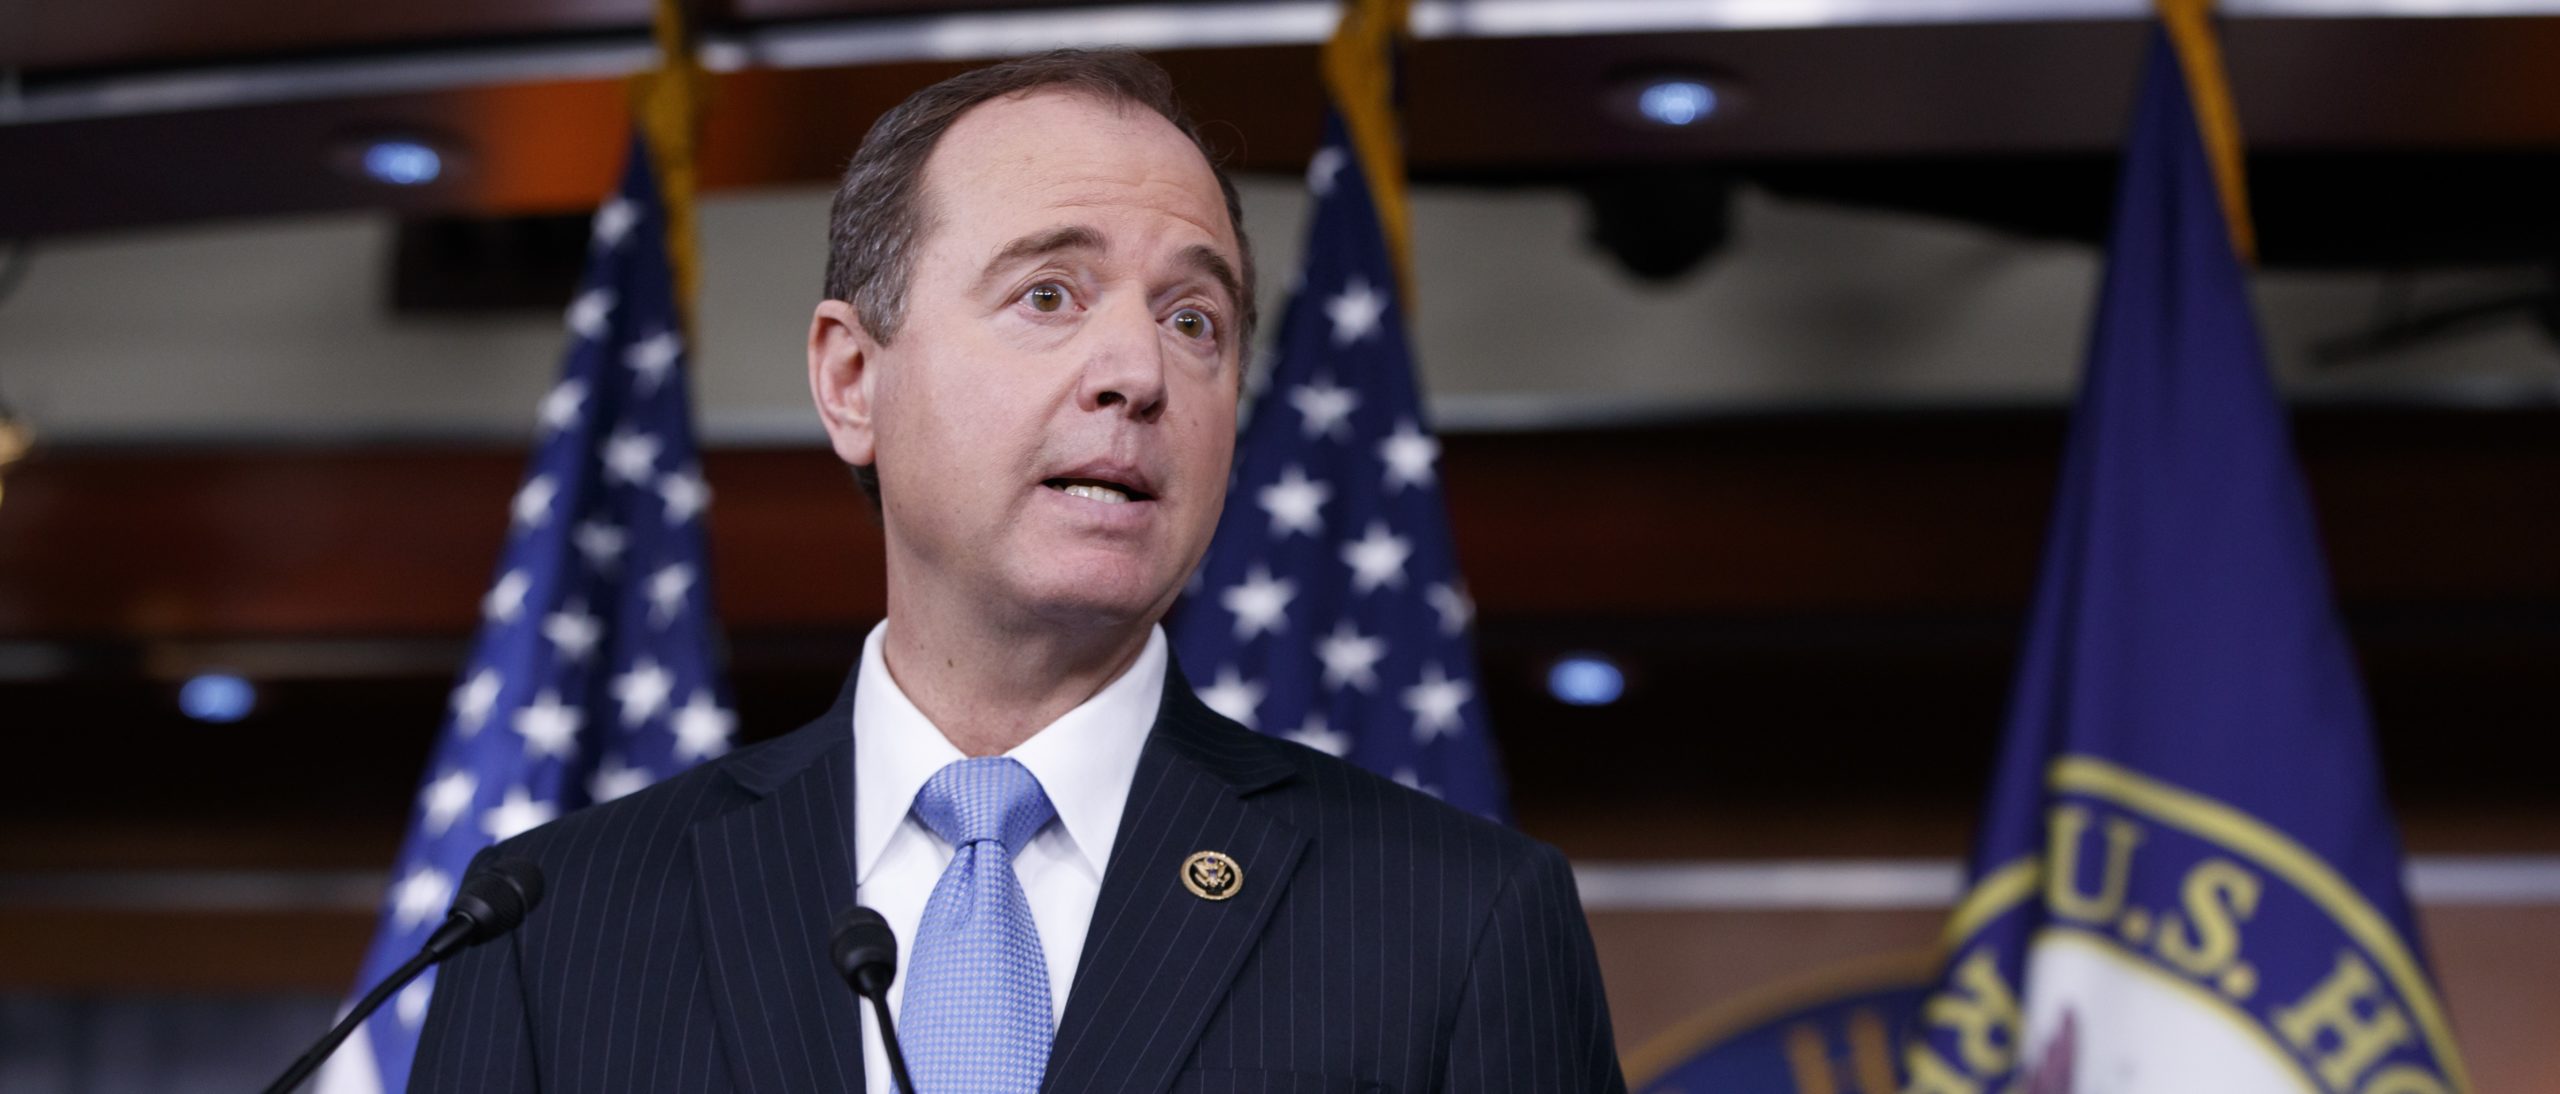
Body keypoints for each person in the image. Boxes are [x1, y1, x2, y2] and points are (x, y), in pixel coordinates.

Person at [411, 49, 1626, 1094]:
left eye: (1193, 319)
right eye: (1049, 293)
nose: (1137, 372)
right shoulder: (548, 922)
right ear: (851, 379)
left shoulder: (1457, 920)